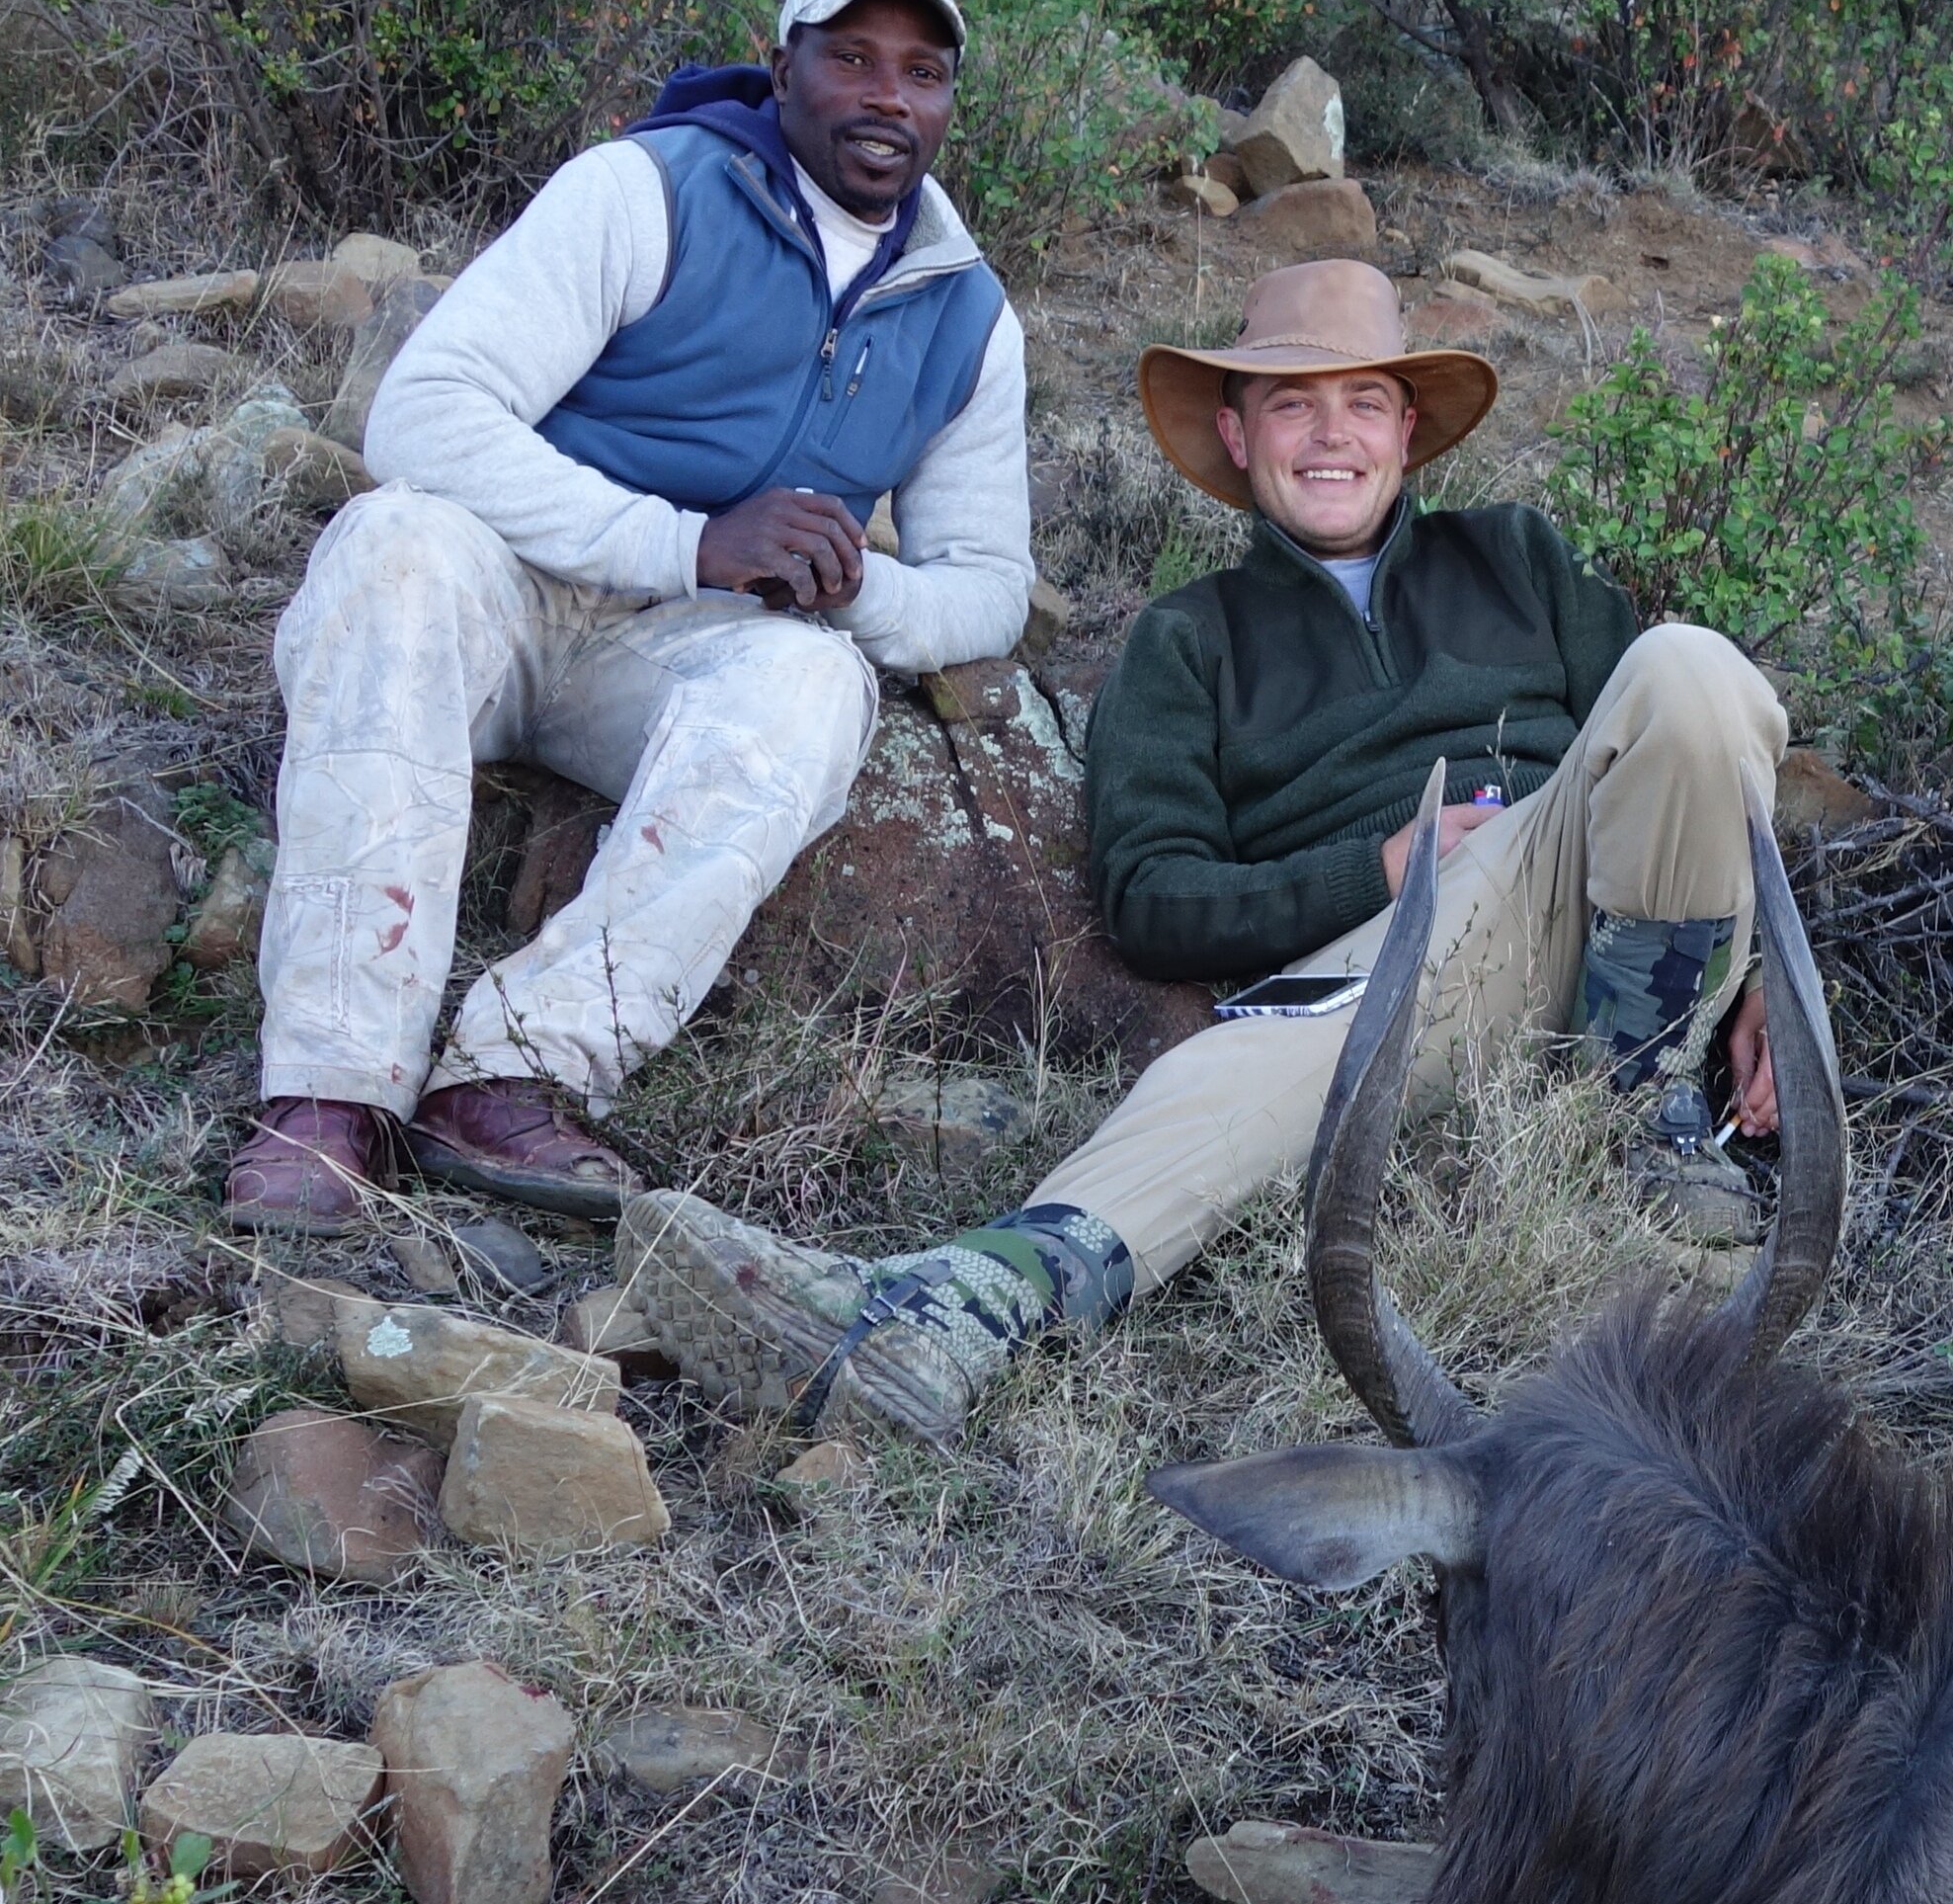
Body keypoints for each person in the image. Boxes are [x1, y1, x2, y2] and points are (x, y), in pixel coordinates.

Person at [618, 257, 1791, 1443]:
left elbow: (1692, 761)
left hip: (1592, 913)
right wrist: (1377, 871)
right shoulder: (1186, 642)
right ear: (1236, 434)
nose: (1331, 435)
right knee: (1235, 1068)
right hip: (1382, 982)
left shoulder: (1519, 558)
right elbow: (1152, 899)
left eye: (1364, 402)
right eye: (1292, 403)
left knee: (1693, 667)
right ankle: (953, 1311)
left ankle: (1641, 1115)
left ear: (1409, 431)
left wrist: (1772, 989)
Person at [225, 0, 1034, 1231]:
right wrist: (686, 539)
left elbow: (989, 586)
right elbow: (423, 417)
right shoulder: (646, 191)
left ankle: (515, 1073)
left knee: (817, 681)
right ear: (782, 73)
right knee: (398, 539)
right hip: (493, 596)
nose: (889, 96)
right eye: (853, 58)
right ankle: (329, 1092)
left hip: (674, 662)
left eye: (923, 73)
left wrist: (858, 589)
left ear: (946, 105)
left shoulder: (966, 317)